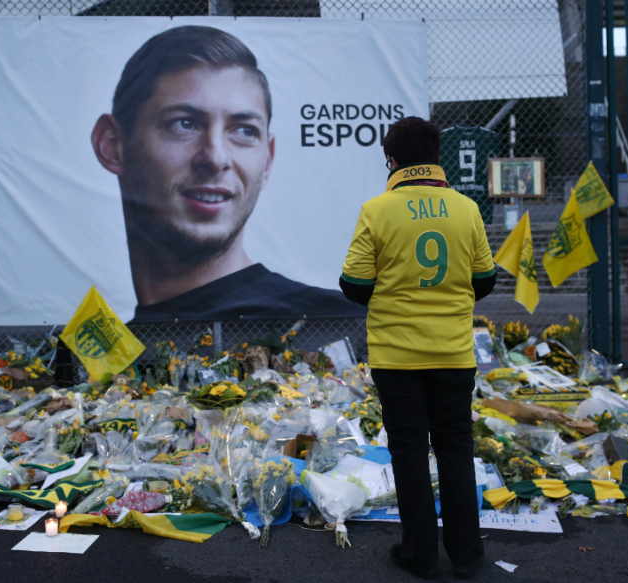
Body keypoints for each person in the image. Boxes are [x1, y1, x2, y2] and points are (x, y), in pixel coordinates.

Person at [91, 25, 365, 324]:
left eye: (245, 131)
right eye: (184, 124)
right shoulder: (104, 357)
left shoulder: (340, 327)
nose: (216, 157)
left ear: (268, 160)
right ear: (112, 145)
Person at [339, 117, 496, 580]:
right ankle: (467, 556)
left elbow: (353, 284)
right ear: (436, 158)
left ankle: (420, 555)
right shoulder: (465, 208)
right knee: (455, 449)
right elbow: (485, 279)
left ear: (391, 159)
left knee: (408, 452)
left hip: (397, 356)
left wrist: (393, 292)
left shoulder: (377, 209)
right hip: (452, 353)